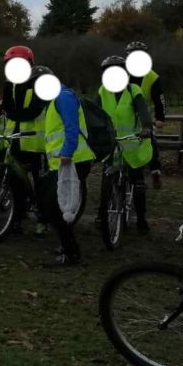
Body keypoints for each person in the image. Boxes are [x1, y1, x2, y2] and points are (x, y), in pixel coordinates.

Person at [40, 67, 95, 265]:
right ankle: (67, 247)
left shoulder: (63, 97)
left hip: (72, 161)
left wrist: (67, 151)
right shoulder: (57, 98)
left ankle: (70, 252)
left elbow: (71, 127)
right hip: (64, 162)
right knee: (53, 206)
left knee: (56, 207)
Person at [96, 56, 154, 234]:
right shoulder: (102, 91)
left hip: (132, 142)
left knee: (137, 181)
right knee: (107, 178)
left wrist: (146, 127)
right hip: (111, 144)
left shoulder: (133, 90)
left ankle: (141, 218)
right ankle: (102, 213)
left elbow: (142, 110)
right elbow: (95, 114)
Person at [0, 45, 49, 235]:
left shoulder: (39, 83)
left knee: (40, 183)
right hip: (15, 140)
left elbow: (33, 111)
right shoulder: (10, 85)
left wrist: (14, 114)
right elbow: (6, 108)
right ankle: (17, 218)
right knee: (15, 182)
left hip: (37, 143)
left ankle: (43, 221)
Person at [126, 41, 167, 188]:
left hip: (145, 118)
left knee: (150, 142)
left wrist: (160, 118)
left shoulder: (152, 77)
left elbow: (159, 99)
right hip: (124, 117)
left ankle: (155, 171)